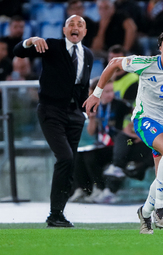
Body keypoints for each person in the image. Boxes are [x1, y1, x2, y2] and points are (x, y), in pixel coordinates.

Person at [83, 27, 163, 234]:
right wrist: (96, 94)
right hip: (144, 119)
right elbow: (113, 63)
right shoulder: (146, 64)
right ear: (160, 49)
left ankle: (145, 212)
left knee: (162, 179)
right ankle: (160, 208)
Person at [13, 15, 94, 228]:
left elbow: (82, 86)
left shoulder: (87, 54)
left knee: (69, 163)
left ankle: (58, 214)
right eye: (71, 24)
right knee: (65, 157)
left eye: (80, 25)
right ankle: (55, 213)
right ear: (64, 29)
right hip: (51, 111)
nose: (75, 27)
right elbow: (18, 51)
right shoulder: (50, 46)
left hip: (75, 114)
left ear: (85, 32)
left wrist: (85, 109)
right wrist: (30, 40)